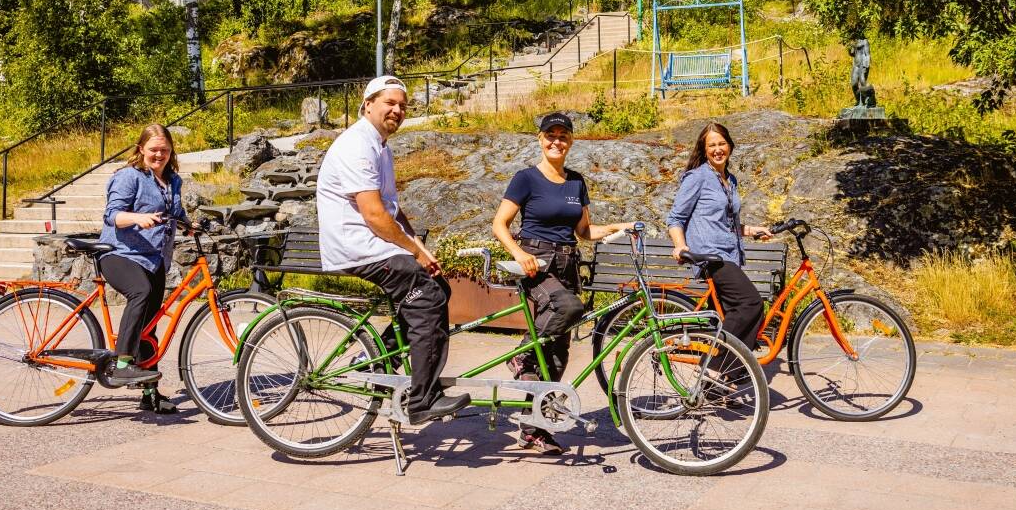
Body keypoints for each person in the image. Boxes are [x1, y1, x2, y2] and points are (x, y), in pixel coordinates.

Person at [316, 75, 470, 426]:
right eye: (390, 103)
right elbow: (374, 215)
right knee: (427, 297)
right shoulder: (357, 144)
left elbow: (394, 211)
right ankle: (423, 399)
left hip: (373, 245)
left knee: (436, 287)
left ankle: (379, 367)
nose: (397, 110)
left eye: (403, 105)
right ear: (368, 104)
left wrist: (420, 248)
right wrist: (414, 253)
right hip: (358, 247)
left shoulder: (379, 146)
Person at [491, 112, 632, 455]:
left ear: (571, 141)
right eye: (550, 135)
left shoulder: (577, 182)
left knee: (557, 353)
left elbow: (584, 232)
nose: (556, 141)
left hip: (568, 262)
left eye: (563, 136)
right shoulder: (526, 179)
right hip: (537, 263)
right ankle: (521, 357)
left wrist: (618, 227)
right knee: (569, 307)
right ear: (540, 139)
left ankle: (534, 429)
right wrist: (518, 253)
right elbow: (500, 224)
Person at [98, 123, 190, 413]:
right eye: (153, 150)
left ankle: (150, 393)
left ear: (171, 150)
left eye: (164, 149)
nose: (159, 155)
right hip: (119, 254)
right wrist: (138, 218)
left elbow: (176, 213)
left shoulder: (173, 181)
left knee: (149, 326)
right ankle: (122, 364)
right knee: (141, 292)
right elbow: (112, 215)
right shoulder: (129, 177)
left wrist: (192, 225)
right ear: (141, 150)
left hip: (155, 259)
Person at [666, 122, 772, 352]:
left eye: (721, 143)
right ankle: (715, 361)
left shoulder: (730, 180)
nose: (717, 149)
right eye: (711, 145)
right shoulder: (697, 177)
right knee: (750, 303)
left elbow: (725, 222)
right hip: (711, 257)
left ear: (730, 146)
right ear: (704, 150)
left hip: (729, 256)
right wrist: (681, 246)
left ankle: (732, 370)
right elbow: (675, 218)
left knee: (733, 314)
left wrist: (752, 230)